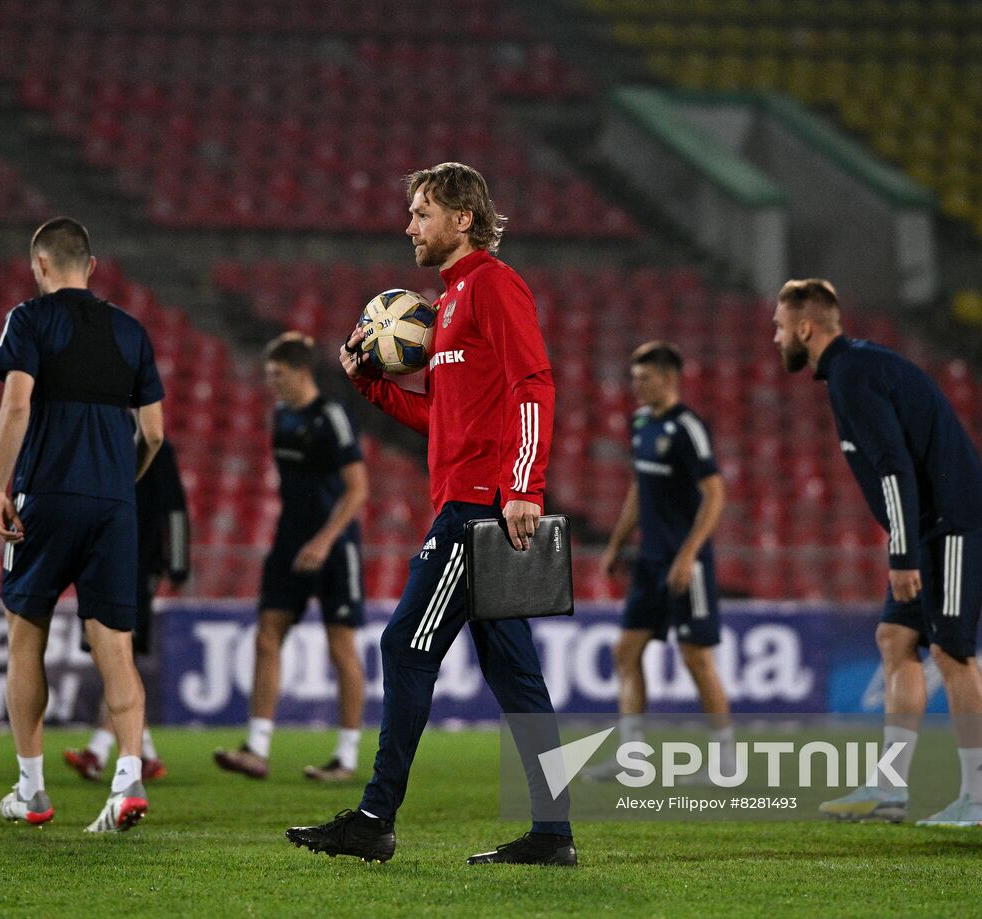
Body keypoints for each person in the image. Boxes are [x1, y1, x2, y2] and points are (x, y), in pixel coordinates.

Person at [286, 162, 576, 866]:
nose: (409, 225)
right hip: (472, 501)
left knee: (404, 644)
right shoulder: (446, 303)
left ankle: (375, 817)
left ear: (462, 219)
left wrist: (524, 485)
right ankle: (553, 832)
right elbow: (445, 417)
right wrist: (370, 387)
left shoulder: (492, 285)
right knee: (515, 674)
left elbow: (533, 383)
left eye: (421, 212)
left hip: (478, 513)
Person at [773, 278, 982, 827]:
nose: (776, 338)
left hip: (951, 522)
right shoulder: (854, 368)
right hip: (928, 525)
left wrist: (901, 553)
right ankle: (890, 788)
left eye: (780, 328)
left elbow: (895, 467)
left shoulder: (853, 374)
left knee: (951, 652)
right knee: (896, 639)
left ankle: (979, 798)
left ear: (806, 328)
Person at [0, 217, 165, 832]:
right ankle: (128, 781)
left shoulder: (30, 319)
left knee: (26, 634)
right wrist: (120, 485)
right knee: (113, 646)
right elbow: (155, 435)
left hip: (46, 497)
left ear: (39, 267)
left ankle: (33, 790)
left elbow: (16, 403)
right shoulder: (131, 330)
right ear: (92, 267)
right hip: (113, 504)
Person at [215, 332, 368, 782]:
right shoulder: (280, 415)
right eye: (268, 375)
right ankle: (256, 749)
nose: (271, 382)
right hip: (289, 540)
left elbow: (359, 489)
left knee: (341, 647)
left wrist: (324, 540)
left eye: (277, 374)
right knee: (267, 635)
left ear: (301, 373)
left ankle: (345, 757)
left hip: (335, 545)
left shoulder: (331, 417)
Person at [595, 341, 732, 777]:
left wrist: (688, 553)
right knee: (626, 650)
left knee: (695, 656)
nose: (636, 385)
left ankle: (725, 757)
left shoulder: (688, 427)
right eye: (634, 377)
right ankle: (632, 757)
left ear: (669, 378)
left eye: (645, 377)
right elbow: (640, 488)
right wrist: (618, 543)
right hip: (649, 561)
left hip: (685, 563)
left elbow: (715, 494)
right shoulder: (640, 423)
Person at [65, 436, 189, 784]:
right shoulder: (98, 442)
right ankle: (145, 752)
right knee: (109, 656)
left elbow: (175, 506)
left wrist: (178, 562)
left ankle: (99, 749)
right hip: (98, 562)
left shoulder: (156, 447)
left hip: (138, 565)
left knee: (119, 656)